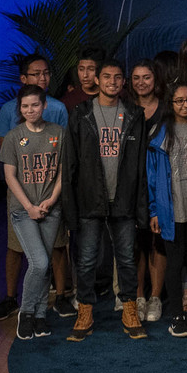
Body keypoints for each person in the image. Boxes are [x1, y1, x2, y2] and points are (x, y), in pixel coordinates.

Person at [62, 58, 149, 340]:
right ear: (96, 80)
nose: (113, 82)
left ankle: (129, 308)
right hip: (89, 199)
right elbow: (70, 163)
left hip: (122, 200)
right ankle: (85, 310)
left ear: (124, 82)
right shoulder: (81, 114)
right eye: (107, 77)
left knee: (125, 259)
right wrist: (69, 208)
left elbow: (140, 166)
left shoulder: (135, 114)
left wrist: (140, 207)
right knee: (86, 260)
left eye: (118, 77)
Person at [0, 53, 71, 322]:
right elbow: (7, 154)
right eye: (36, 74)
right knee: (16, 246)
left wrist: (52, 193)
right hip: (21, 190)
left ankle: (60, 295)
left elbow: (63, 153)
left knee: (57, 245)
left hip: (50, 189)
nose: (42, 78)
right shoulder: (8, 111)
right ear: (23, 78)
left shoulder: (57, 108)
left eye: (46, 73)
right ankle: (12, 297)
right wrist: (25, 200)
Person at [0, 85, 64, 340]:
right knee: (39, 262)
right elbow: (9, 175)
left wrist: (51, 200)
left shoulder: (58, 133)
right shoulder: (14, 136)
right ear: (19, 108)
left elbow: (62, 172)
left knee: (45, 264)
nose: (30, 110)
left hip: (50, 208)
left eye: (34, 105)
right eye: (25, 106)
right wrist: (29, 206)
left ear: (44, 105)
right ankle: (26, 313)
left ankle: (40, 316)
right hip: (23, 210)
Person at [147, 82, 187, 337]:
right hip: (169, 210)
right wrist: (154, 211)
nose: (185, 105)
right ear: (170, 104)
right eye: (179, 101)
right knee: (174, 263)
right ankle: (177, 316)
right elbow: (151, 177)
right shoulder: (160, 133)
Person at [128, 58, 167, 323]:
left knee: (158, 241)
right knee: (136, 244)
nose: (142, 83)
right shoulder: (125, 110)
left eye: (147, 77)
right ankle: (139, 296)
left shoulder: (167, 109)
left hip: (161, 184)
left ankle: (155, 297)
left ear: (156, 79)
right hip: (132, 186)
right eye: (136, 78)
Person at [61, 46, 104, 112]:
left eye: (91, 69)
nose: (85, 75)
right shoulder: (70, 99)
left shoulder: (114, 94)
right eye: (81, 69)